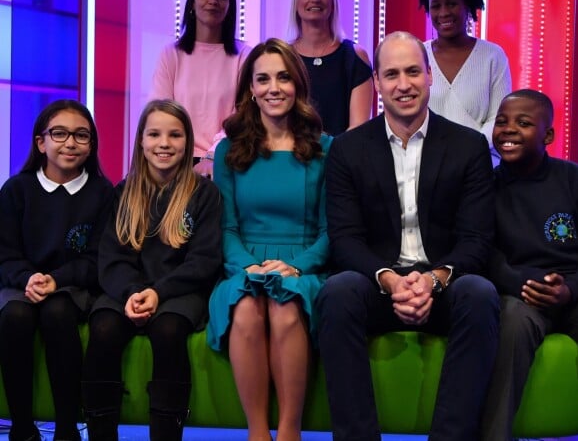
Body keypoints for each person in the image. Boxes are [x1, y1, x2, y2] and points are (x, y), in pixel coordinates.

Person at [317, 31, 500, 441]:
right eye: (392, 74)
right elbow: (345, 238)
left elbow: (476, 239)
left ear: (430, 75)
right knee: (338, 292)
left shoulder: (468, 146)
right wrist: (390, 279)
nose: (404, 84)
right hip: (378, 282)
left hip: (445, 282)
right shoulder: (347, 149)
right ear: (377, 84)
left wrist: (434, 280)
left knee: (481, 294)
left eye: (413, 72)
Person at [207, 38, 332, 441]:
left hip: (304, 263)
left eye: (283, 77)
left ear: (298, 84)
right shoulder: (228, 151)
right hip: (243, 262)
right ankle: (258, 433)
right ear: (250, 89)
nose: (273, 88)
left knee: (285, 306)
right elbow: (227, 228)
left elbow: (332, 231)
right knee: (244, 309)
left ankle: (290, 431)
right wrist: (248, 266)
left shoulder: (325, 149)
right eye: (263, 79)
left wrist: (298, 266)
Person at [81, 100, 223, 441]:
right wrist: (132, 292)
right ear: (141, 142)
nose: (164, 143)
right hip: (127, 292)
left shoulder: (205, 194)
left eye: (175, 135)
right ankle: (101, 433)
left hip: (180, 292)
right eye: (155, 134)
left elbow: (204, 261)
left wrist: (158, 293)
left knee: (169, 331)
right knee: (102, 328)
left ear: (187, 142)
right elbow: (111, 258)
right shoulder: (122, 194)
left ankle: (165, 433)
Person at [0, 100, 113, 441]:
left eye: (81, 135)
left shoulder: (103, 193)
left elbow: (98, 258)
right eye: (59, 133)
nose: (70, 143)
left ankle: (67, 427)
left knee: (58, 311)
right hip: (22, 282)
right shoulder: (16, 190)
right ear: (41, 142)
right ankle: (22, 427)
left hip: (73, 284)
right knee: (15, 317)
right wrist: (28, 279)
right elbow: (4, 253)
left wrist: (57, 280)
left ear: (91, 144)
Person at [481, 89, 578, 441]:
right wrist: (522, 283)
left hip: (572, 291)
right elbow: (484, 252)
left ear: (548, 135)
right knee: (510, 321)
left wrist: (569, 290)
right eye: (502, 122)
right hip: (520, 292)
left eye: (523, 123)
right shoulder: (485, 187)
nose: (508, 130)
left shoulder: (572, 178)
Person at [150, 0, 252, 178]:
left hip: (226, 159)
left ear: (230, 6)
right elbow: (160, 113)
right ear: (192, 3)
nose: (213, 1)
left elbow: (243, 116)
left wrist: (212, 156)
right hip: (176, 160)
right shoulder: (171, 54)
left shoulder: (245, 55)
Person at [418, 0, 512, 165]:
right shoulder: (417, 54)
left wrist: (466, 152)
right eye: (436, 6)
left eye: (451, 3)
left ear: (468, 5)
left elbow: (498, 117)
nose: (443, 13)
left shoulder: (493, 56)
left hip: (481, 165)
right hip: (425, 165)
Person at [288, 0, 373, 136]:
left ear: (333, 3)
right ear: (296, 3)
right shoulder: (282, 58)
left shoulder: (355, 57)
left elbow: (357, 129)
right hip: (291, 158)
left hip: (341, 159)